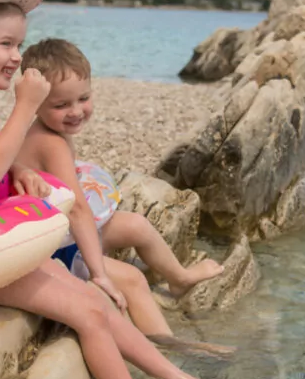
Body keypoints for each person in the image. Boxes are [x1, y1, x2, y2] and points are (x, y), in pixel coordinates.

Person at [0, 0, 233, 379]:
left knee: (96, 298)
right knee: (88, 313)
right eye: (6, 43)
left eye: (18, 43)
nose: (17, 56)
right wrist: (24, 107)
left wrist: (20, 170)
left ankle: (177, 375)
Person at [16, 38, 233, 356]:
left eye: (84, 98)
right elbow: (76, 210)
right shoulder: (50, 143)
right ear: (35, 103)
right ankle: (168, 347)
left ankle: (179, 279)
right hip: (53, 252)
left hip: (65, 235)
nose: (76, 111)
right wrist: (100, 274)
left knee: (136, 225)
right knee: (131, 278)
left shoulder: (51, 133)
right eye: (61, 105)